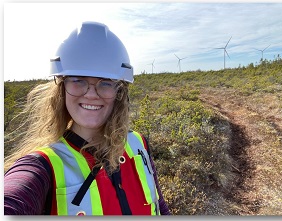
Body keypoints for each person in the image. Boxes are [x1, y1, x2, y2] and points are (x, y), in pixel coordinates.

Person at [4, 21, 171, 216]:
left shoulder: (139, 144)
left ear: (119, 92)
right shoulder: (42, 168)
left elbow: (161, 208)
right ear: (62, 88)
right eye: (78, 80)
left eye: (105, 83)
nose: (91, 94)